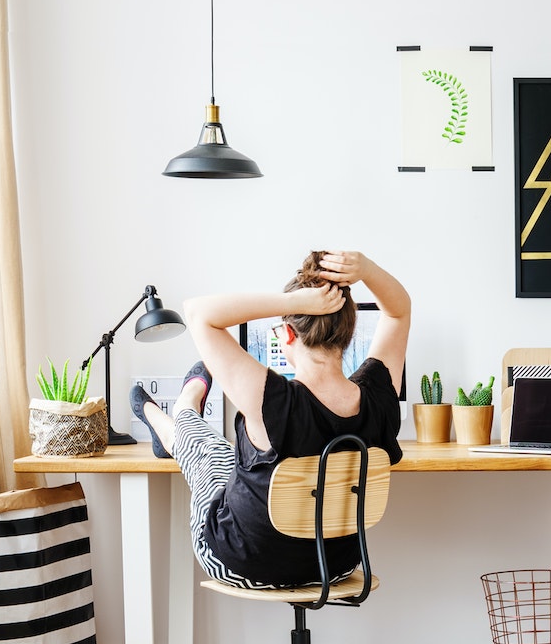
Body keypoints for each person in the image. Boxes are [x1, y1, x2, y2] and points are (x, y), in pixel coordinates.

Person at [132, 250, 410, 589]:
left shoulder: (273, 400)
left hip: (241, 564)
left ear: (288, 334)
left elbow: (197, 313)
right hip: (336, 567)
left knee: (212, 456)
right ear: (349, 333)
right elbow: (399, 312)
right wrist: (366, 268)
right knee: (224, 456)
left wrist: (290, 302)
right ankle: (177, 422)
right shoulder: (379, 397)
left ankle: (181, 411)